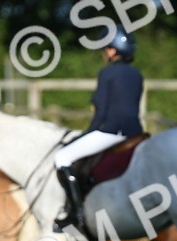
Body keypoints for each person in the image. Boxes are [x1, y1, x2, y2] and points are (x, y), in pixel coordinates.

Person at [53, 29, 144, 230]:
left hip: (111, 132)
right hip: (135, 132)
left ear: (113, 51)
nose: (105, 52)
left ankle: (76, 213)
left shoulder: (107, 73)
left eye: (106, 48)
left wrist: (87, 133)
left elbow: (101, 112)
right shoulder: (137, 74)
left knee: (62, 157)